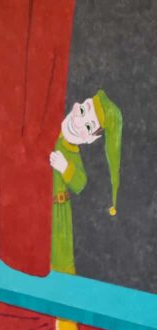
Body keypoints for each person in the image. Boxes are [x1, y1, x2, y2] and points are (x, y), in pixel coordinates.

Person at [47, 89, 122, 275]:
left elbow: (80, 183)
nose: (78, 122)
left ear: (90, 139)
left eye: (88, 127)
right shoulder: (49, 128)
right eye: (82, 110)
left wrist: (65, 167)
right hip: (36, 202)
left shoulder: (73, 153)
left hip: (58, 212)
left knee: (59, 260)